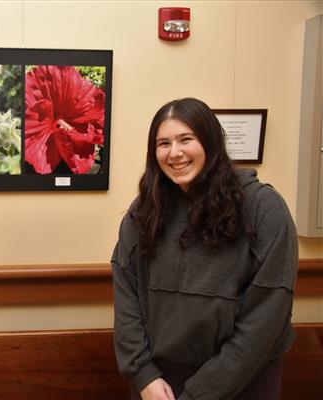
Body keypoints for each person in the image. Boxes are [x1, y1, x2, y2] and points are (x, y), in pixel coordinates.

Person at [111, 98, 298, 400]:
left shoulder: (264, 208)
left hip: (243, 379)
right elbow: (126, 297)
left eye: (186, 139)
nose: (175, 153)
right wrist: (143, 375)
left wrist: (201, 393)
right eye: (163, 143)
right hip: (158, 384)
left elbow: (267, 317)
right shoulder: (145, 209)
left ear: (210, 141)